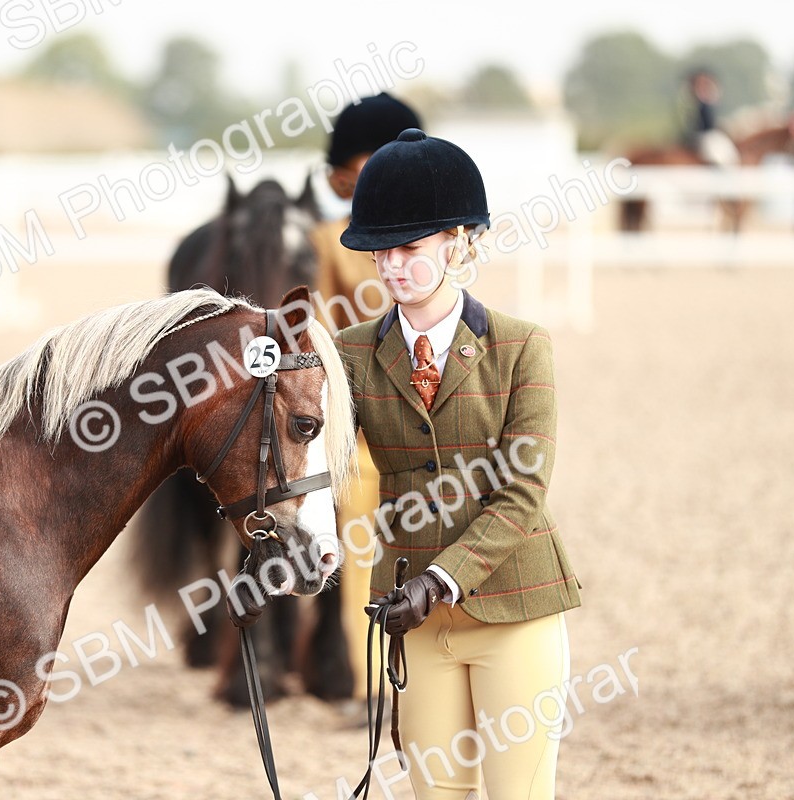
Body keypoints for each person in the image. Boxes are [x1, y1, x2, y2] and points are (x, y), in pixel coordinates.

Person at [334, 128, 581, 799]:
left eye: (408, 248)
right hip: (413, 619)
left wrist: (443, 578)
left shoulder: (522, 347)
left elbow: (523, 490)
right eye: (378, 250)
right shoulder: (348, 354)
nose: (389, 266)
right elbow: (317, 458)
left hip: (514, 610)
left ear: (459, 243)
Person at [310, 91, 423, 701]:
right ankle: (372, 686)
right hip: (366, 425)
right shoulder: (332, 241)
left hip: (439, 413)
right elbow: (325, 335)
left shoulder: (442, 239)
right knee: (363, 549)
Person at [680, 67, 740, 166]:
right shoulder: (693, 101)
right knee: (719, 153)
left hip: (710, 134)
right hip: (704, 136)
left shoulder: (708, 100)